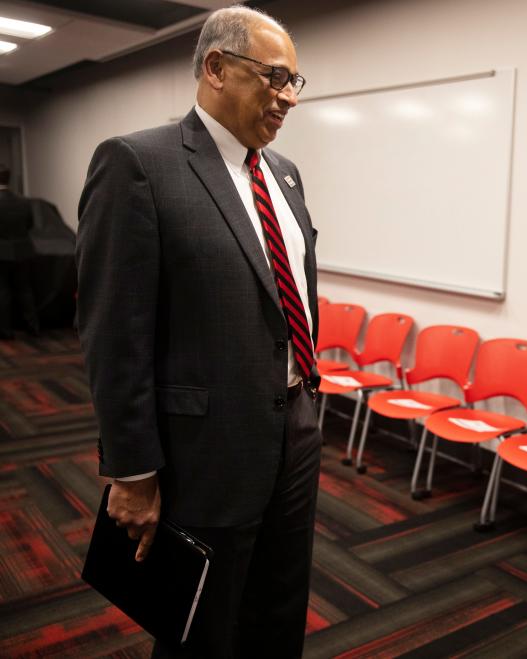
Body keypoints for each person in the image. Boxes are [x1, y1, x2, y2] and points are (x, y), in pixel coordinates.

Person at [77, 6, 321, 657]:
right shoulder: (139, 164)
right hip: (204, 448)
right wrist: (130, 468)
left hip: (295, 430)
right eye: (275, 77)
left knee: (278, 604)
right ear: (215, 67)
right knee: (202, 623)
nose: (288, 96)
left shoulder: (286, 174)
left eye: (297, 81)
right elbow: (113, 331)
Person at [0, 163, 39, 338]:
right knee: (25, 290)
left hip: (2, 252)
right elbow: (30, 225)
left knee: (3, 291)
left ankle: (6, 331)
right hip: (23, 250)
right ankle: (33, 327)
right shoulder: (23, 201)